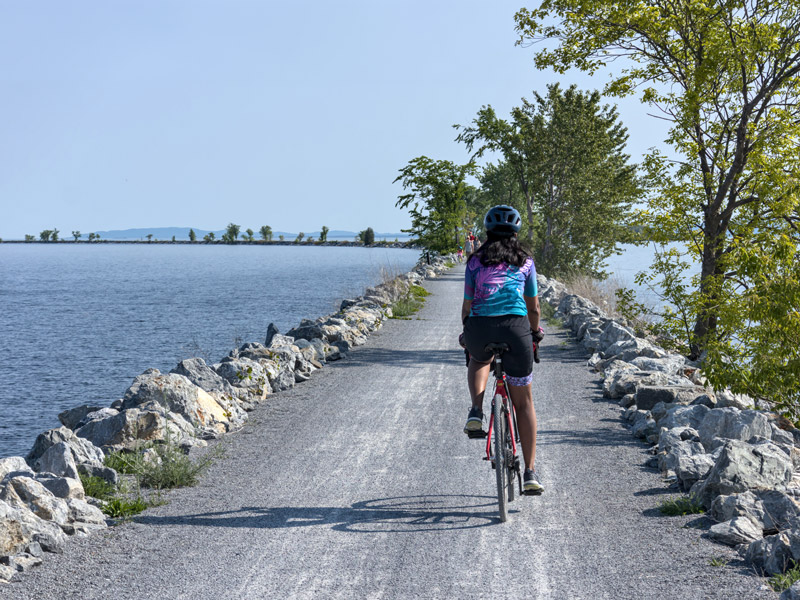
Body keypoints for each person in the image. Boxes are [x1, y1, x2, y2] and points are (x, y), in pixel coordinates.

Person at [460, 205, 545, 494]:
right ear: (516, 232)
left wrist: (466, 332)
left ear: (487, 232)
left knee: (478, 358)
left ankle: (475, 410)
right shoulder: (526, 262)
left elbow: (467, 306)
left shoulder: (474, 262)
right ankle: (531, 472)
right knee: (524, 403)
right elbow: (533, 307)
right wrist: (535, 334)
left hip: (480, 328)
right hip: (516, 329)